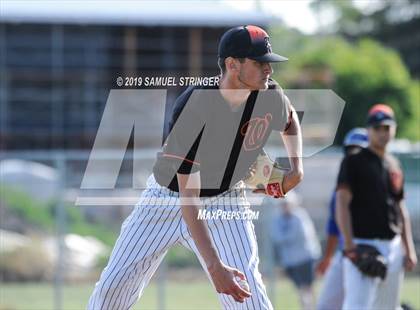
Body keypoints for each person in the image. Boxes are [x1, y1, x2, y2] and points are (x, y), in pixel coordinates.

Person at [88, 25, 303, 310]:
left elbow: (289, 122)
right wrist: (214, 266)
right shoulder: (195, 106)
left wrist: (296, 168)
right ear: (232, 65)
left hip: (226, 201)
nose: (269, 70)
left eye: (269, 63)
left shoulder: (270, 95)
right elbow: (189, 198)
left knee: (248, 296)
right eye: (260, 63)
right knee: (112, 291)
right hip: (166, 200)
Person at [335, 104, 417, 310]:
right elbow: (342, 203)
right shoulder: (354, 161)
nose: (382, 133)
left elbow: (400, 209)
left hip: (393, 245)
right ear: (368, 130)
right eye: (377, 128)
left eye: (386, 128)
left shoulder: (394, 165)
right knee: (356, 306)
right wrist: (349, 246)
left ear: (394, 130)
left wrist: (409, 248)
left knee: (388, 307)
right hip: (362, 244)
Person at [316, 127, 368, 310]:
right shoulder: (342, 186)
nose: (354, 154)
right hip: (345, 254)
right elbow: (333, 227)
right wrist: (328, 257)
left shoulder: (379, 183)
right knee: (325, 306)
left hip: (372, 252)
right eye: (351, 149)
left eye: (360, 150)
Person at [269, 191, 320, 310]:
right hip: (290, 261)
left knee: (308, 287)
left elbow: (301, 234)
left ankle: (311, 307)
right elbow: (276, 237)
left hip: (305, 258)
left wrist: (285, 237)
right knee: (300, 288)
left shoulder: (299, 216)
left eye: (287, 204)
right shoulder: (277, 219)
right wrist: (286, 237)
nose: (285, 207)